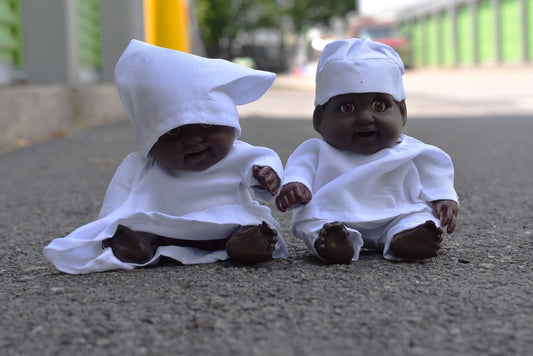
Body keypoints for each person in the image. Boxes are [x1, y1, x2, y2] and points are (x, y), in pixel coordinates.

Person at [44, 40, 287, 274]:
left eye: (205, 124)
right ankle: (133, 245)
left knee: (250, 224)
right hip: (164, 225)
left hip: (226, 223)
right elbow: (117, 198)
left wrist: (265, 175)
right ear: (150, 141)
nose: (193, 139)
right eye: (173, 131)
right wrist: (110, 225)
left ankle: (246, 244)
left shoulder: (238, 154)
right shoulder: (140, 164)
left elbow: (262, 161)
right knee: (136, 226)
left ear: (229, 125)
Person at [275, 38, 458, 264]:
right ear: (319, 119)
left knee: (419, 217)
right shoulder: (316, 150)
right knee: (313, 222)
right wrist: (296, 187)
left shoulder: (414, 151)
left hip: (397, 212)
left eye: (379, 106)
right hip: (332, 214)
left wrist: (443, 199)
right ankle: (332, 242)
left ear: (402, 113)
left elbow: (435, 173)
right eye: (347, 108)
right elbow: (299, 171)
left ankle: (408, 237)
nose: (365, 118)